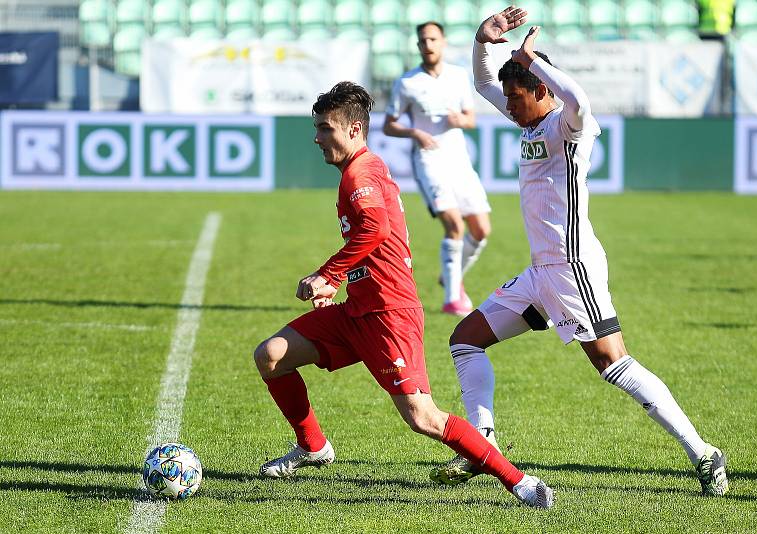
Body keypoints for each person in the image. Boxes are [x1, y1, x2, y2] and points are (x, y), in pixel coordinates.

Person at [429, 7, 730, 498]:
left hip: (573, 270)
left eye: (518, 94)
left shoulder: (568, 127)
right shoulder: (529, 121)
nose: (509, 104)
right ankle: (482, 449)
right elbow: (485, 84)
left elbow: (581, 99)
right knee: (465, 340)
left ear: (541, 89)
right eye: (510, 95)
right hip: (540, 273)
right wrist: (485, 44)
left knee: (614, 364)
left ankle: (703, 452)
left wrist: (533, 59)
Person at [253, 81, 554, 508]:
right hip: (358, 309)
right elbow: (374, 237)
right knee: (271, 355)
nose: (317, 138)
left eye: (325, 129)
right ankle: (313, 447)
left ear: (354, 129)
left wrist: (329, 275)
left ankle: (520, 481)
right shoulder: (361, 170)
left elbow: (375, 229)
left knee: (423, 417)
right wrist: (342, 281)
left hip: (389, 314)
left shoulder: (360, 173)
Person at [383, 21, 492, 317]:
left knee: (481, 230)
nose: (427, 44)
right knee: (454, 226)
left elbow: (471, 118)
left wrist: (462, 120)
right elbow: (388, 124)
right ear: (418, 46)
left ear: (443, 42)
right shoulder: (406, 82)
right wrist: (414, 133)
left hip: (458, 160)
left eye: (432, 39)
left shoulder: (458, 76)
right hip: (428, 161)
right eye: (422, 40)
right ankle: (452, 298)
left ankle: (451, 275)